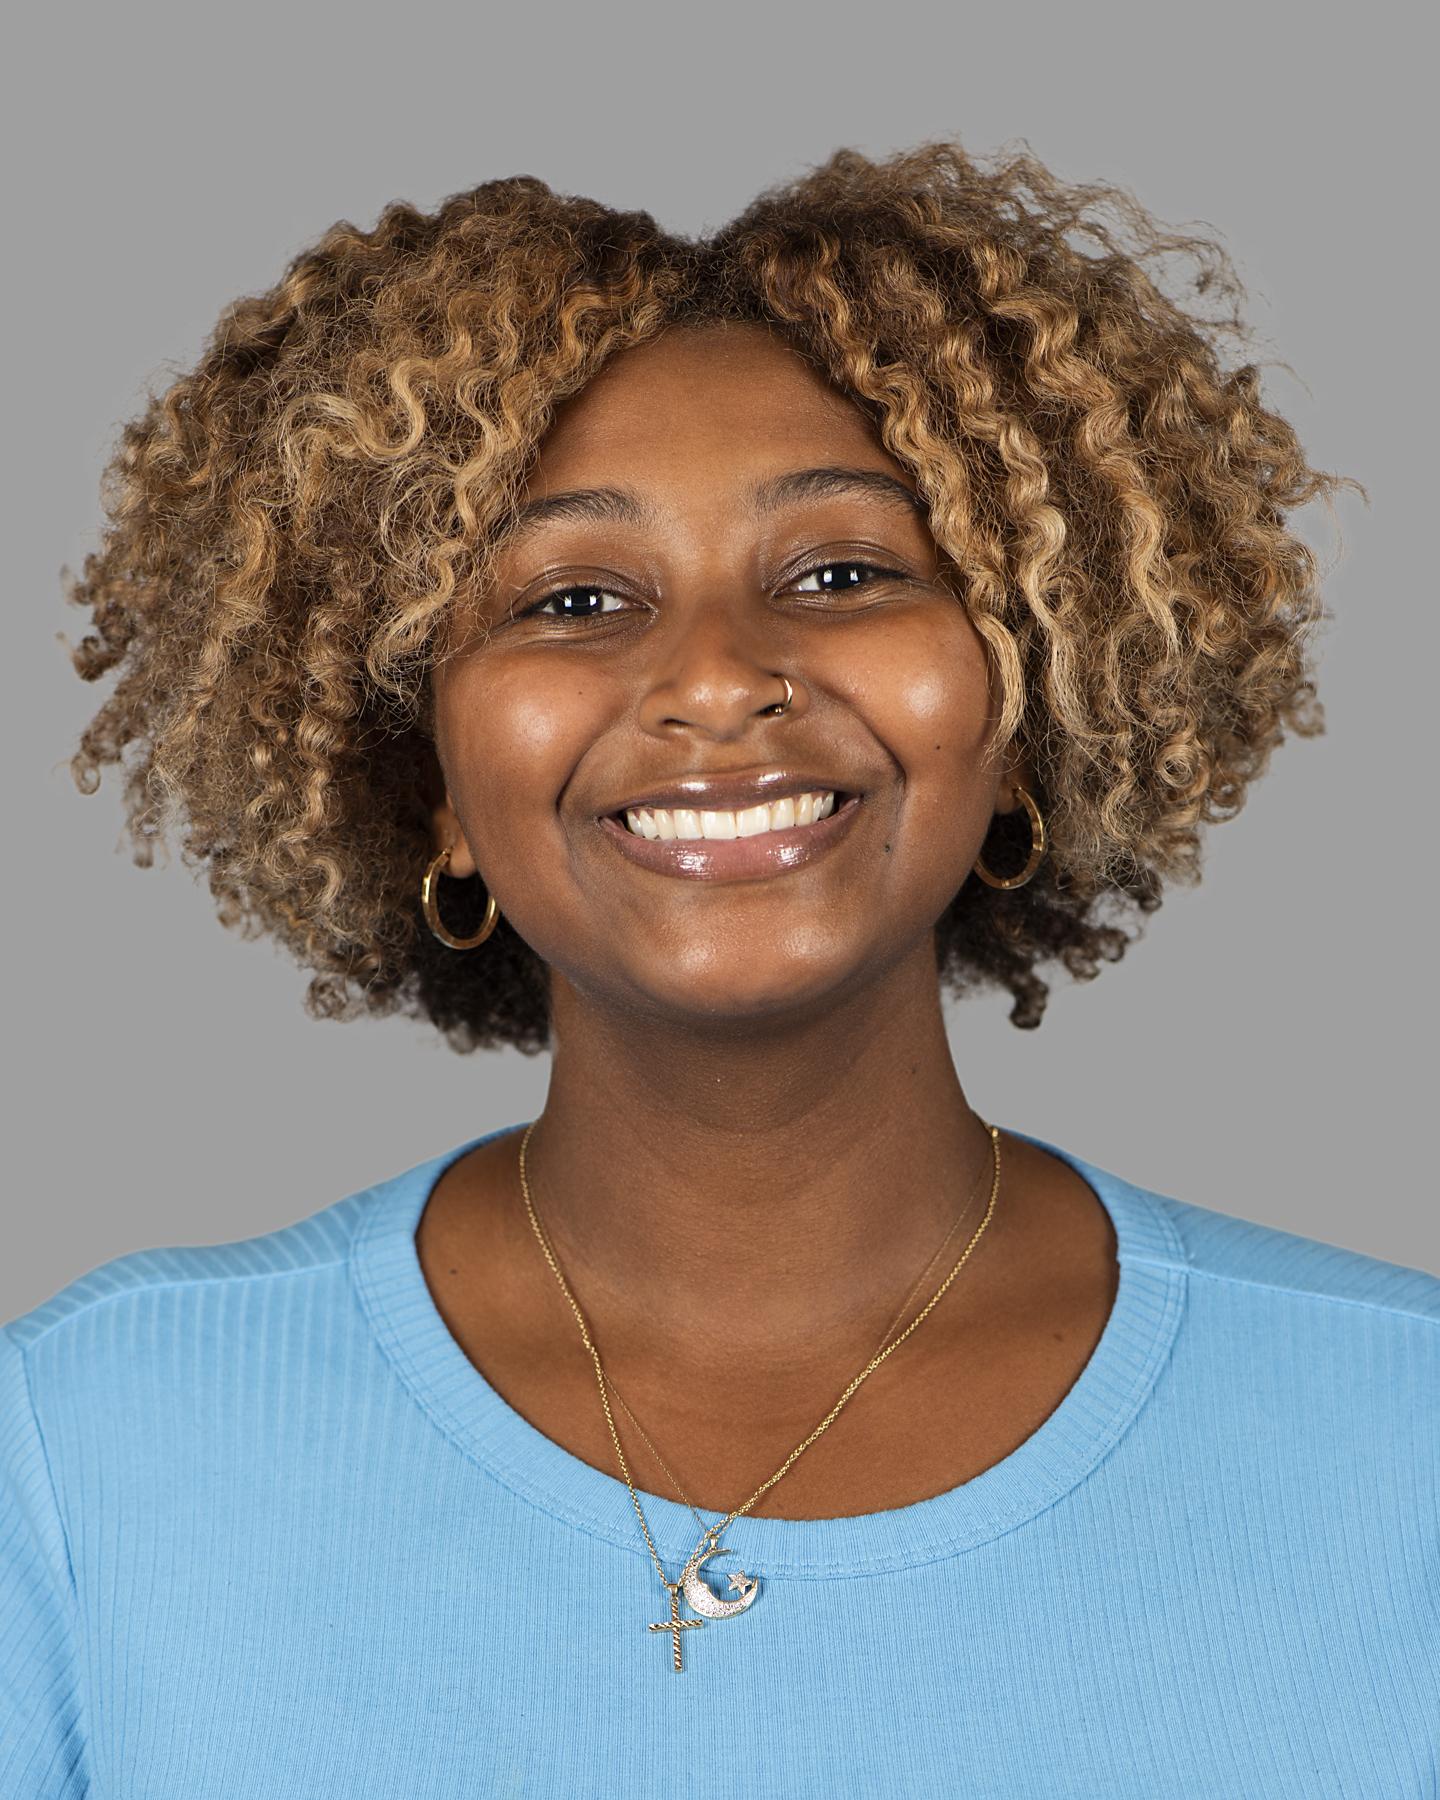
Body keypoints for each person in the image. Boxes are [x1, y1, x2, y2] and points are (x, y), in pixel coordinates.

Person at [3, 139, 1435, 1798]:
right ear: (427, 785)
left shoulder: (1404, 1443)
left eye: (842, 573)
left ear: (1028, 706)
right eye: (576, 596)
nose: (716, 678)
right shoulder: (90, 1451)